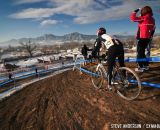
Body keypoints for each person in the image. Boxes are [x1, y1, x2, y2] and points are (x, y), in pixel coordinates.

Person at [130, 6, 155, 72]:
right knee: (142, 52)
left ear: (144, 11)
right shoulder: (152, 19)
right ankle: (146, 65)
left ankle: (140, 66)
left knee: (140, 53)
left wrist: (135, 10)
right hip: (147, 38)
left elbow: (133, 18)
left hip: (141, 38)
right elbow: (153, 28)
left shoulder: (144, 18)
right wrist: (150, 35)